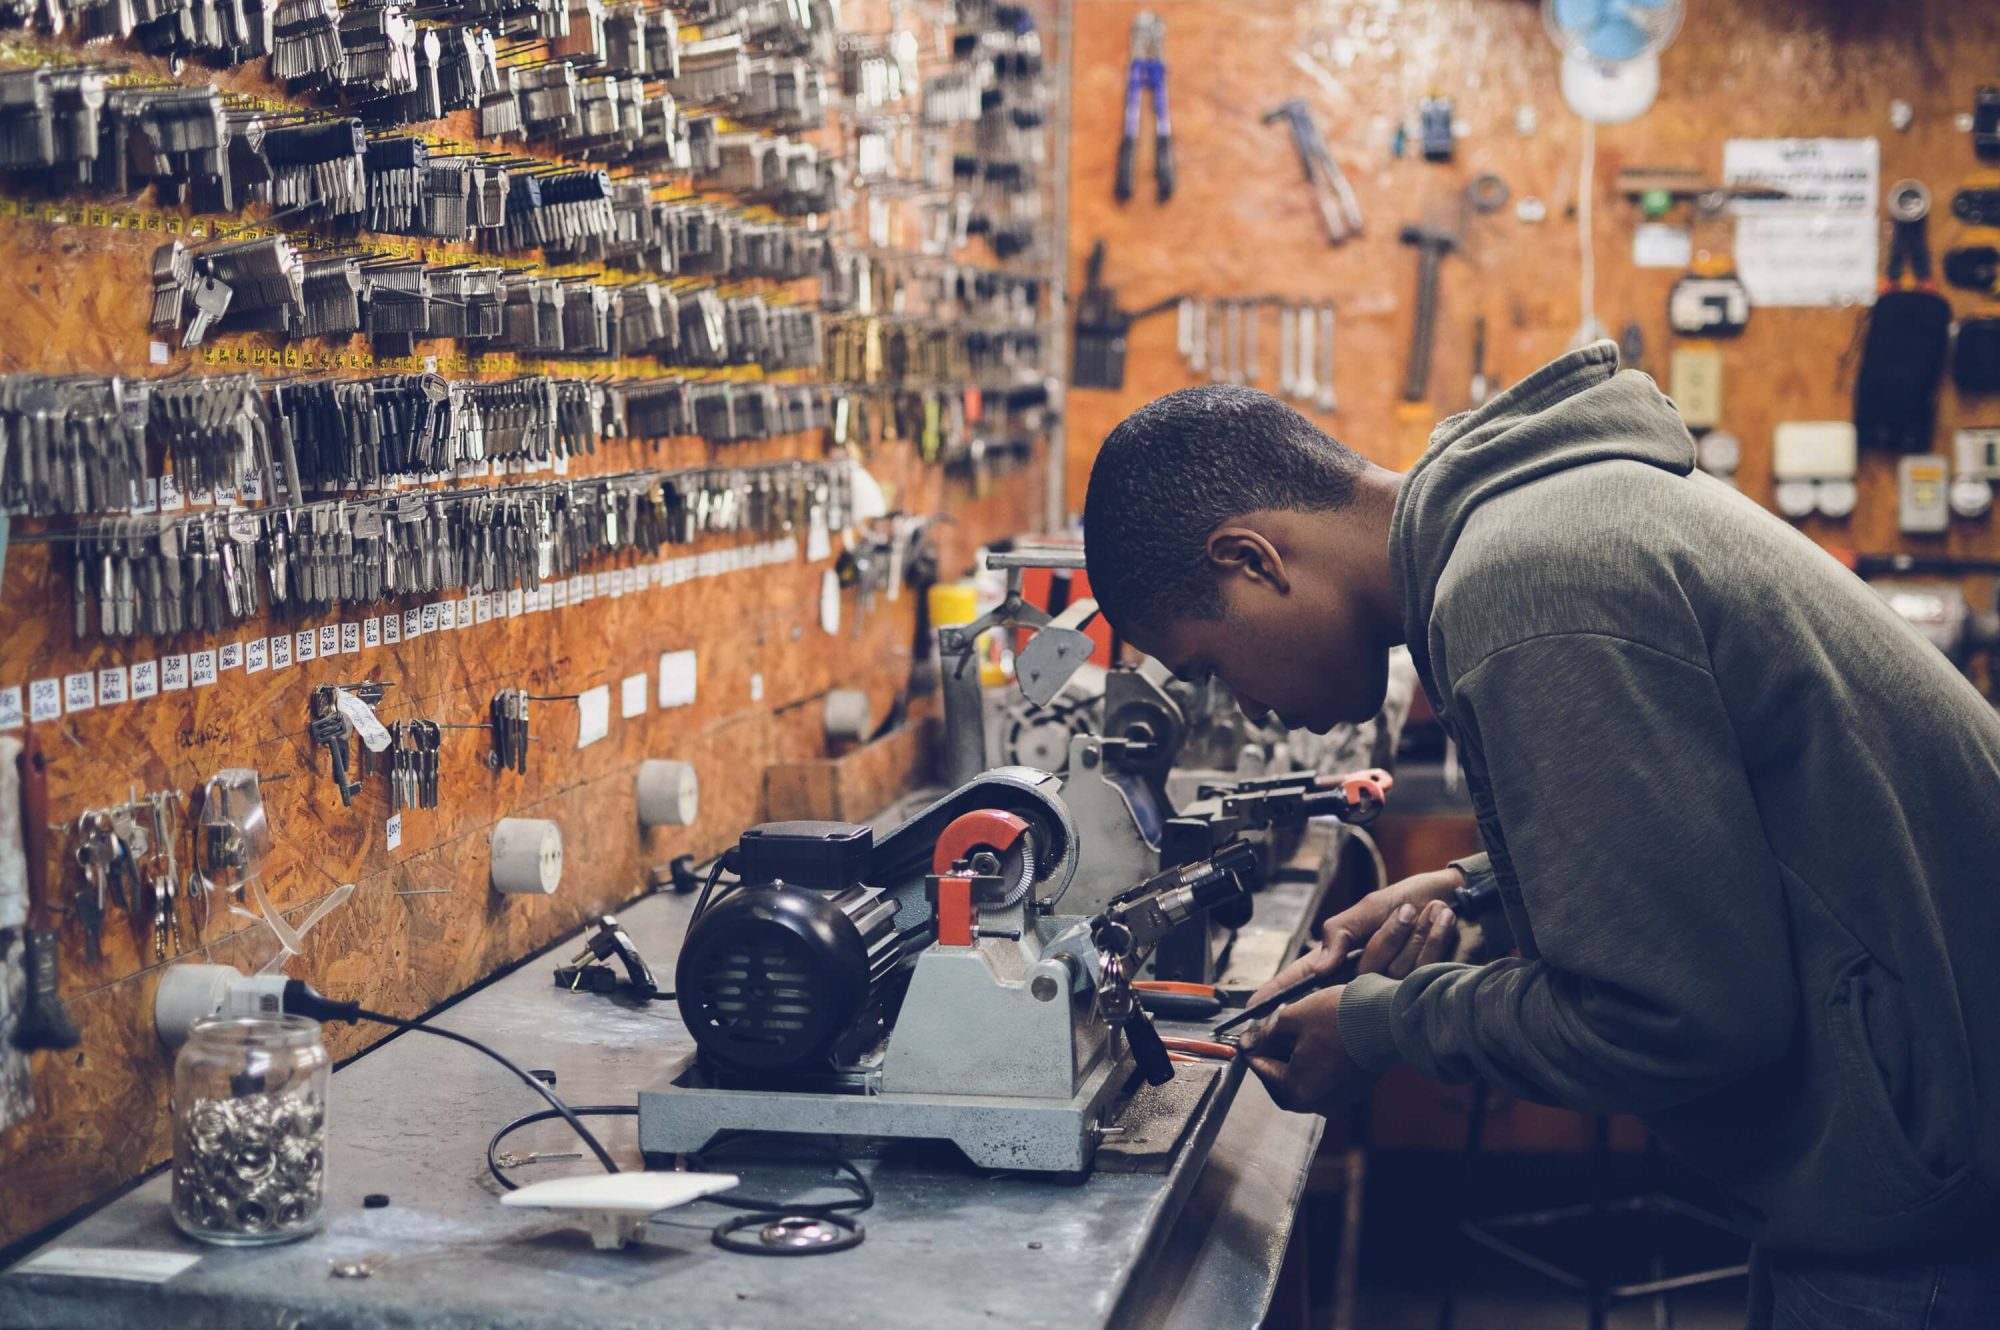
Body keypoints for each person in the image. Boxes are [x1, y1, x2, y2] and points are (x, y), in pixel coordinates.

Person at [1081, 343, 2000, 1328]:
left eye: (1210, 665)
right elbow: (1721, 826)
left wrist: (1381, 1026)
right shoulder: (1541, 523)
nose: (1245, 711)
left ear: (1252, 559)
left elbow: (1676, 1016)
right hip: (1917, 1149)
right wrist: (1472, 883)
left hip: (1926, 1210)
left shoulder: (1525, 587)